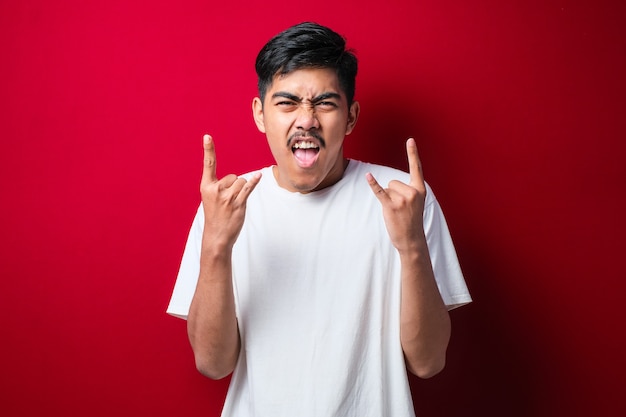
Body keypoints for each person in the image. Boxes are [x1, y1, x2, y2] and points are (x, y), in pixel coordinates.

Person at [167, 22, 471, 417]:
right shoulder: (227, 204)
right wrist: (216, 246)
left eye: (325, 103)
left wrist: (412, 247)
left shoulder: (404, 198)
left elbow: (428, 362)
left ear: (350, 116)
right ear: (260, 114)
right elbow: (212, 363)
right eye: (287, 103)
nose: (307, 119)